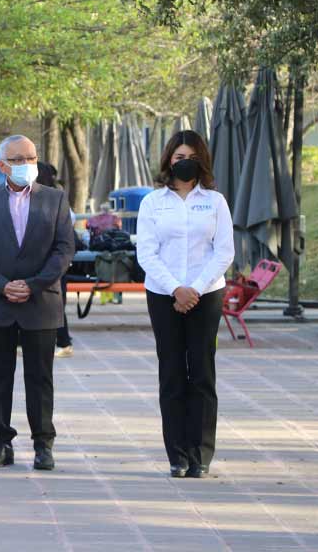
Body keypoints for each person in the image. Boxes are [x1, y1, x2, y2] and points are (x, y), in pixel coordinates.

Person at [0, 134, 74, 471]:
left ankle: (43, 444)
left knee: (40, 378)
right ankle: (1, 442)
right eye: (18, 159)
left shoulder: (55, 199)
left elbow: (64, 249)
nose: (26, 165)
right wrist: (2, 286)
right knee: (0, 377)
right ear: (3, 165)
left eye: (31, 158)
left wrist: (32, 285)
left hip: (40, 303)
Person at [136, 130, 234, 479]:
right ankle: (177, 454)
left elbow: (223, 251)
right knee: (172, 372)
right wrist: (176, 288)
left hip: (206, 295)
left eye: (191, 156)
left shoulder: (215, 202)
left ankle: (201, 453)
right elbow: (146, 253)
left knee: (202, 372)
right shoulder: (152, 202)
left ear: (202, 160)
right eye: (179, 157)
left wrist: (194, 288)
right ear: (168, 161)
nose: (184, 162)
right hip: (163, 296)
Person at [36, 162, 74, 359]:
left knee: (55, 306)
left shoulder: (56, 201)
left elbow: (65, 242)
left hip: (55, 268)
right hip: (47, 267)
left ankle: (64, 341)